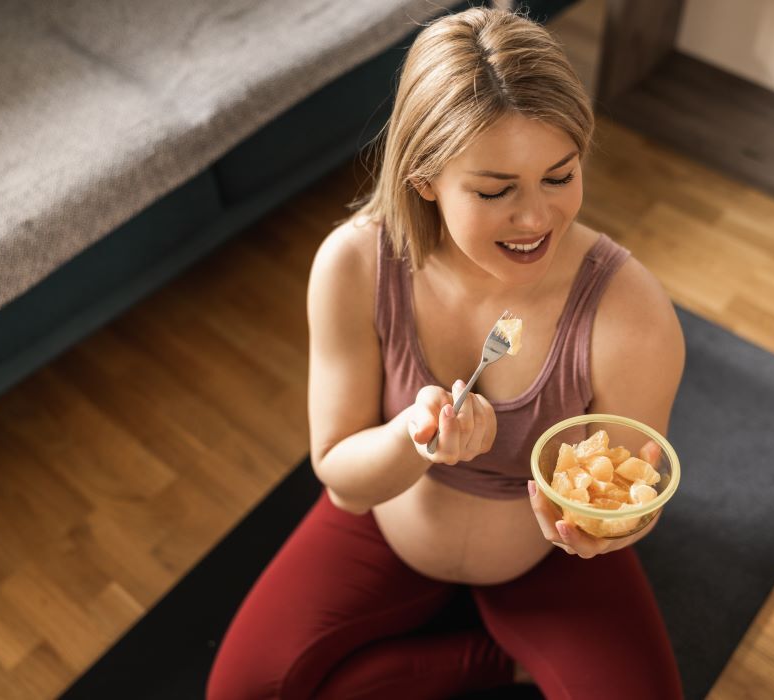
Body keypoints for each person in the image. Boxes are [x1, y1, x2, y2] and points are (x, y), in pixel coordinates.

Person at [206, 6, 684, 699]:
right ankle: (490, 667)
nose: (536, 218)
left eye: (559, 176)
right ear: (424, 177)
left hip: (548, 562)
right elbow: (342, 478)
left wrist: (614, 526)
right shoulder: (354, 265)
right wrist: (414, 437)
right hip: (382, 531)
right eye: (495, 191)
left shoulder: (629, 311)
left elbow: (625, 493)